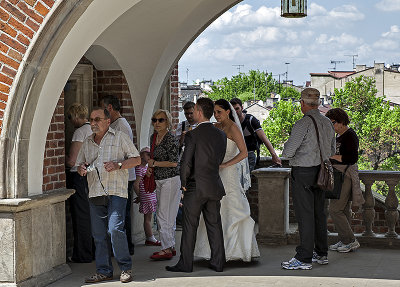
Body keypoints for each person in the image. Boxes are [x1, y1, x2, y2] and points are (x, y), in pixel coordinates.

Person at [76, 107, 140, 283]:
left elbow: (137, 159)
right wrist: (81, 168)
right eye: (92, 119)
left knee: (115, 229)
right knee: (98, 234)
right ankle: (104, 270)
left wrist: (118, 165)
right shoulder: (88, 142)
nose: (94, 123)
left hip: (117, 191)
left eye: (97, 119)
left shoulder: (120, 137)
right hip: (95, 192)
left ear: (107, 121)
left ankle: (125, 268)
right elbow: (80, 164)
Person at [193, 99, 260, 262]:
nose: (216, 116)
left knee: (231, 208)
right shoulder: (216, 127)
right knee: (214, 210)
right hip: (215, 173)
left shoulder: (233, 128)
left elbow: (244, 152)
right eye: (214, 112)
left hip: (228, 173)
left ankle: (234, 250)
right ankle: (214, 251)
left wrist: (226, 165)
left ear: (228, 112)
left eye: (219, 112)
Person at [166, 97, 227, 273]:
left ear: (199, 112)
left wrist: (184, 184)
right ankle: (218, 263)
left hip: (195, 186)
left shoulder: (192, 134)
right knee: (214, 225)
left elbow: (186, 163)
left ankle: (185, 264)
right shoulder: (221, 134)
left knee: (189, 226)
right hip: (214, 184)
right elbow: (219, 158)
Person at [281, 88, 335, 270]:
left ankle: (304, 258)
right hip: (322, 172)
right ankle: (321, 253)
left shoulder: (303, 123)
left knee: (305, 215)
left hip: (303, 172)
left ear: (302, 104)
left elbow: (288, 152)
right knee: (319, 213)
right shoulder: (327, 122)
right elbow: (333, 151)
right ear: (318, 104)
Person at [325, 108, 365, 253]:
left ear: (341, 121)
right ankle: (345, 240)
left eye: (333, 123)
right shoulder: (340, 136)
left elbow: (352, 158)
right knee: (343, 210)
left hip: (345, 176)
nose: (332, 126)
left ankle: (350, 241)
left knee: (334, 210)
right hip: (339, 175)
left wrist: (332, 156)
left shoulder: (350, 135)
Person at [101, 95, 136, 255]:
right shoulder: (118, 124)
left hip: (122, 177)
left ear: (109, 108)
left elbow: (125, 153)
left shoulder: (121, 126)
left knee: (121, 216)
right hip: (119, 176)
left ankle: (125, 248)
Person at [148, 109, 181, 260]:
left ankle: (166, 248)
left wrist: (155, 163)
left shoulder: (170, 139)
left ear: (167, 121)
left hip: (170, 179)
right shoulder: (153, 137)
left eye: (160, 120)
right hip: (159, 179)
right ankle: (170, 245)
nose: (157, 123)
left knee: (164, 214)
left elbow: (174, 162)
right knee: (167, 214)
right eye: (154, 120)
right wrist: (151, 167)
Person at [65, 103, 93, 263]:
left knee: (81, 216)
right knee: (91, 215)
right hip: (91, 175)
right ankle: (93, 250)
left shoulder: (79, 132)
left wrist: (61, 158)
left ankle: (82, 254)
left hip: (79, 176)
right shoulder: (93, 129)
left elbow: (72, 161)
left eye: (70, 117)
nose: (70, 121)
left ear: (76, 116)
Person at [230, 97, 281, 171]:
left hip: (249, 155)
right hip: (235, 156)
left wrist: (274, 155)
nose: (235, 112)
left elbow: (263, 138)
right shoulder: (230, 123)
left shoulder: (250, 120)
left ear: (242, 107)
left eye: (237, 109)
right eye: (233, 110)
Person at [133, 147, 160, 246]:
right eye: (147, 154)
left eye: (150, 154)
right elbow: (136, 184)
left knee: (149, 217)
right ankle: (150, 238)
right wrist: (140, 196)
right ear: (141, 155)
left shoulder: (145, 168)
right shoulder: (140, 168)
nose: (149, 156)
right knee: (148, 219)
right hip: (147, 196)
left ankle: (150, 237)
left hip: (150, 195)